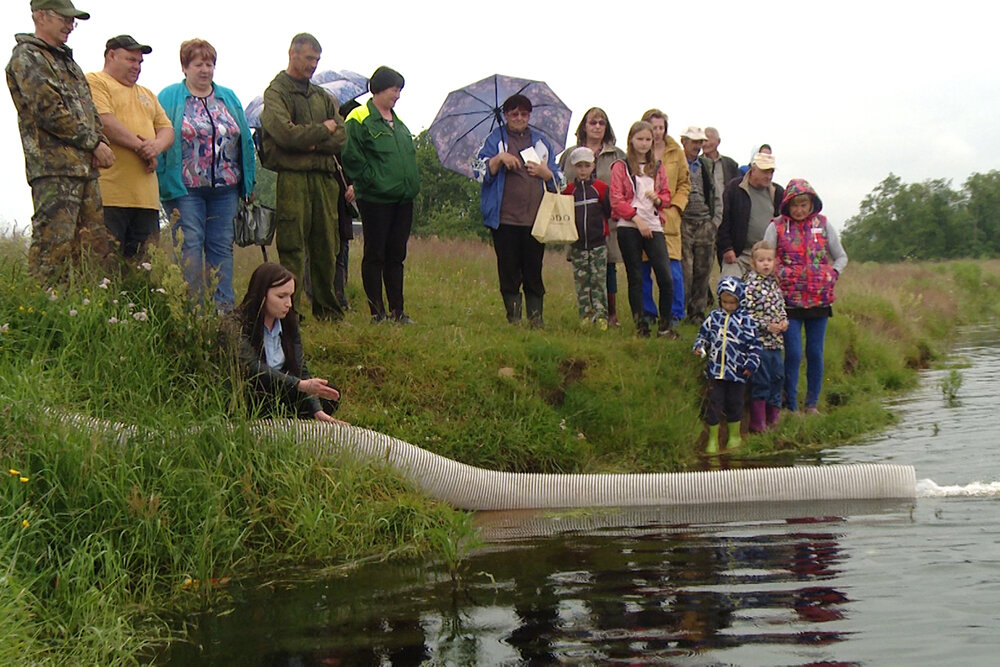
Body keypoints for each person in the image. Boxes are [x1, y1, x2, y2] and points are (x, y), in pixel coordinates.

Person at [6, 0, 115, 282]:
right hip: (54, 170)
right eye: (64, 19)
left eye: (72, 21)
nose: (69, 25)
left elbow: (89, 109)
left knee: (93, 251)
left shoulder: (69, 62)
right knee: (53, 250)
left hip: (84, 170)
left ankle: (87, 315)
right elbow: (49, 112)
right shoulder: (27, 57)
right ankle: (42, 317)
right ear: (40, 16)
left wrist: (100, 140)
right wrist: (94, 143)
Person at [157, 38, 255, 310]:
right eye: (198, 64)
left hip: (226, 186)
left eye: (209, 64)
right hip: (185, 187)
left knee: (221, 246)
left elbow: (244, 138)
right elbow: (159, 134)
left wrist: (249, 181)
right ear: (185, 67)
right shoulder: (169, 97)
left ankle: (224, 310)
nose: (205, 70)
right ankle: (193, 311)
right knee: (189, 245)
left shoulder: (228, 97)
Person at [259, 33, 346, 321]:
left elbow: (341, 138)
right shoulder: (275, 93)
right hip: (292, 181)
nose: (313, 65)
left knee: (326, 245)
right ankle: (289, 312)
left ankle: (328, 310)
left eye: (317, 60)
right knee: (292, 246)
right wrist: (324, 130)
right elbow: (284, 134)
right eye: (309, 58)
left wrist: (306, 140)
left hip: (324, 180)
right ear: (292, 54)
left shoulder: (323, 96)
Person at [474, 93, 563, 328]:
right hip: (504, 219)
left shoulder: (542, 142)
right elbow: (478, 172)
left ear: (529, 115)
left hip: (537, 219)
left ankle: (536, 320)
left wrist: (547, 174)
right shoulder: (495, 140)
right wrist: (499, 159)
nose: (519, 117)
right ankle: (514, 320)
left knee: (534, 269)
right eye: (514, 113)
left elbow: (559, 179)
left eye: (524, 113)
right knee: (509, 269)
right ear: (506, 115)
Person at [342, 66, 420, 324]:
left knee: (396, 255)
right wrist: (371, 182)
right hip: (376, 199)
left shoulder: (399, 123)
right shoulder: (359, 117)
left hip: (402, 198)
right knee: (375, 254)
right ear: (378, 88)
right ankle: (378, 312)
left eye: (399, 90)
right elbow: (352, 158)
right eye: (393, 89)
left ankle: (398, 311)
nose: (397, 95)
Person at [763, 178, 848, 414]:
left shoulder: (823, 224)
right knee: (793, 353)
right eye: (795, 205)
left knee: (815, 352)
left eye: (804, 204)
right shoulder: (776, 226)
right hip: (788, 302)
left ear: (812, 204)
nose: (799, 210)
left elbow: (841, 256)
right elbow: (766, 257)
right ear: (787, 205)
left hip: (819, 301)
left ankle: (812, 404)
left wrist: (832, 274)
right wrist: (777, 274)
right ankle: (791, 405)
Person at [86, 35, 173, 258]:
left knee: (144, 269)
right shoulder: (96, 82)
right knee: (107, 266)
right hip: (110, 195)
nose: (137, 66)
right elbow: (103, 120)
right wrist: (141, 148)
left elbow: (167, 130)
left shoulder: (147, 94)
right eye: (131, 60)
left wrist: (155, 147)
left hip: (146, 199)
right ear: (111, 55)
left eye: (140, 62)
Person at [232, 262, 345, 423]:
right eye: (281, 296)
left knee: (328, 394)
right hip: (254, 391)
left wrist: (316, 409)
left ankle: (304, 419)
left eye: (291, 296)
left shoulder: (289, 321)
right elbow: (253, 368)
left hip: (285, 388)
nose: (289, 304)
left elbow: (299, 368)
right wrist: (301, 385)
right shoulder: (237, 324)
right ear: (262, 294)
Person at [608, 121, 677, 339]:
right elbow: (616, 199)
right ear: (631, 140)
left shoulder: (657, 166)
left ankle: (665, 326)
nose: (644, 143)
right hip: (629, 225)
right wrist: (636, 219)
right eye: (640, 139)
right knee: (635, 276)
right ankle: (641, 326)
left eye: (648, 139)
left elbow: (666, 195)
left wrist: (658, 199)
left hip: (655, 223)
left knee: (666, 277)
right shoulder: (620, 166)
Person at [558, 108, 626, 325]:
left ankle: (609, 314)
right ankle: (586, 315)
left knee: (608, 267)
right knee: (583, 273)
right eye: (592, 122)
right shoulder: (569, 154)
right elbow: (560, 184)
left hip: (608, 218)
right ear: (584, 126)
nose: (597, 126)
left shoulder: (617, 155)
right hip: (578, 221)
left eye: (601, 123)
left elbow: (625, 184)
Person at [692, 276, 762, 453]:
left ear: (740, 300)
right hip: (716, 372)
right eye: (724, 302)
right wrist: (699, 347)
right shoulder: (714, 317)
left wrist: (751, 364)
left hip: (738, 372)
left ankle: (734, 436)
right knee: (714, 404)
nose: (728, 306)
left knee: (735, 403)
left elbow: (755, 345)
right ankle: (713, 439)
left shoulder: (747, 321)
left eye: (732, 302)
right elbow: (703, 336)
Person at [639, 108, 690, 327]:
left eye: (661, 127)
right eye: (653, 127)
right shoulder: (637, 151)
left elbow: (684, 184)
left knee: (673, 271)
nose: (657, 132)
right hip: (642, 216)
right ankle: (648, 313)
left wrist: (676, 208)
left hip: (668, 217)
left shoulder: (676, 152)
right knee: (643, 269)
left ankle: (674, 315)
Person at [562, 147, 610, 329]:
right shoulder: (568, 191)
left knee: (598, 281)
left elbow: (609, 211)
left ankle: (601, 315)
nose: (583, 170)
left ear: (593, 166)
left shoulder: (601, 188)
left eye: (586, 165)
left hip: (598, 244)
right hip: (578, 244)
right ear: (574, 167)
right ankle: (585, 315)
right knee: (582, 282)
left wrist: (600, 230)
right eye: (579, 166)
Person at [678, 126, 722, 323]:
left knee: (703, 271)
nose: (697, 146)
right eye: (693, 141)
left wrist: (714, 223)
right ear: (683, 142)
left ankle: (697, 313)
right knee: (685, 271)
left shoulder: (706, 165)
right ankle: (680, 310)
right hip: (684, 221)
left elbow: (715, 194)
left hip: (705, 222)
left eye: (699, 142)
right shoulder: (676, 163)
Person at [742, 241, 787, 431]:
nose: (766, 264)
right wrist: (767, 326)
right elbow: (746, 316)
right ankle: (757, 422)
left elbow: (781, 308)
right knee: (761, 381)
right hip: (758, 345)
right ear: (753, 262)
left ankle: (773, 419)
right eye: (761, 260)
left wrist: (784, 322)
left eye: (769, 260)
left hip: (776, 344)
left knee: (777, 378)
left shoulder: (775, 284)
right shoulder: (749, 286)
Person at [718, 152, 783, 278]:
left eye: (771, 172)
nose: (769, 176)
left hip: (767, 257)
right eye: (765, 171)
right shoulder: (734, 188)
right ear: (753, 170)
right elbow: (723, 219)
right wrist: (726, 248)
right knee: (729, 291)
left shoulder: (778, 192)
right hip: (739, 255)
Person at [702, 127, 740, 200]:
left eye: (707, 139)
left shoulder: (730, 164)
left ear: (718, 141)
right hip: (706, 209)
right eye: (702, 140)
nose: (704, 143)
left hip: (726, 208)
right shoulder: (698, 164)